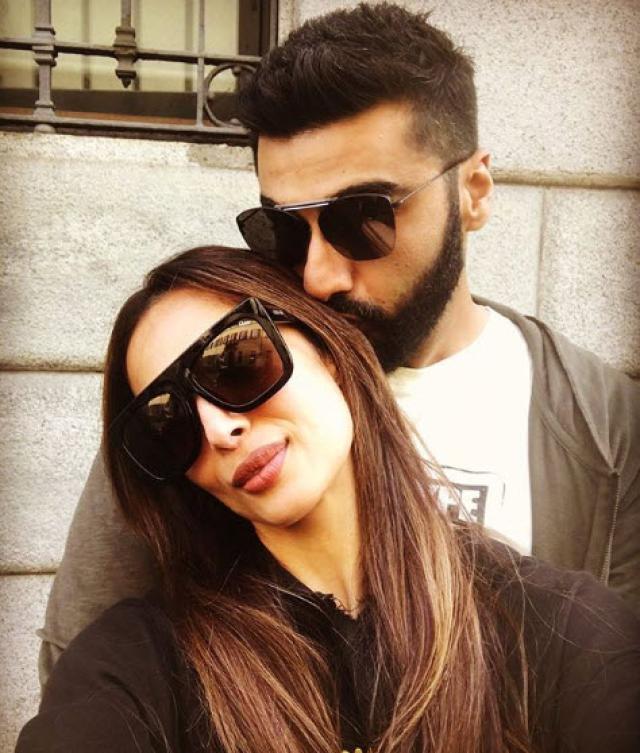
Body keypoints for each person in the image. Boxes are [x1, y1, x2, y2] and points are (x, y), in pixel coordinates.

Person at [38, 2, 640, 686]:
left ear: (473, 192)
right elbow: (85, 663)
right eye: (285, 230)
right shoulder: (211, 386)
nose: (318, 276)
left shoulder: (605, 427)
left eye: (363, 219)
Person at [16, 246, 640, 753]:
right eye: (168, 422)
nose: (219, 429)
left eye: (236, 362)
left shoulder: (561, 631)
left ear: (329, 351)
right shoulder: (141, 664)